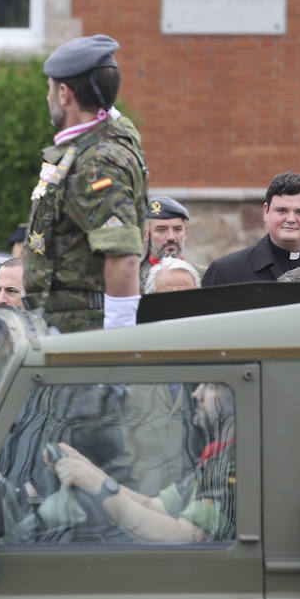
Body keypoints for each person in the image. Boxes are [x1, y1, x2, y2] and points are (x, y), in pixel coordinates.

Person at [24, 34, 149, 332]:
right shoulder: (113, 135)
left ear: (65, 94)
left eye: (50, 90)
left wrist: (115, 346)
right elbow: (112, 118)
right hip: (67, 326)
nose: (48, 98)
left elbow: (123, 256)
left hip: (81, 332)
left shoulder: (97, 161)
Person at [49, 382, 236, 542]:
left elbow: (186, 537)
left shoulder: (235, 466)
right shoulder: (217, 460)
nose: (196, 394)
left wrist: (98, 486)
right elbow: (152, 505)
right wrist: (85, 468)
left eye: (212, 386)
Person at [139, 195, 202, 290]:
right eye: (161, 230)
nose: (171, 237)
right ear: (145, 234)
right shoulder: (131, 278)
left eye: (178, 229)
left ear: (185, 232)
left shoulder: (203, 274)